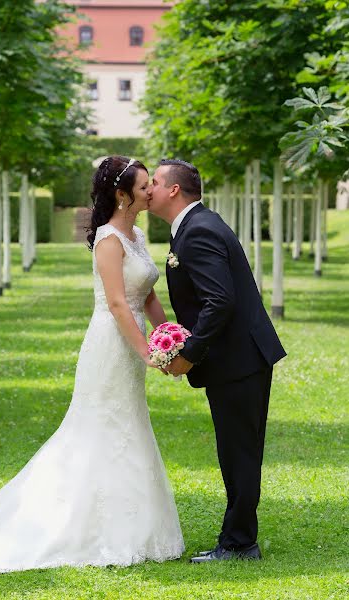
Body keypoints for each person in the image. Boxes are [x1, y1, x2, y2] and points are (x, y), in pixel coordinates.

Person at [0, 156, 184, 573]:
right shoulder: (108, 240)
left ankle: (131, 525)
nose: (150, 191)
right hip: (112, 345)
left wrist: (170, 335)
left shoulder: (135, 234)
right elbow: (117, 303)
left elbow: (147, 295)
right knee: (99, 427)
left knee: (130, 423)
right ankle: (83, 526)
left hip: (131, 341)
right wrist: (146, 352)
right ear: (122, 194)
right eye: (143, 186)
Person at [148, 159, 286, 562]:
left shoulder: (200, 230)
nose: (150, 189)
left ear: (174, 190)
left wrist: (190, 353)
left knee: (239, 450)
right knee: (237, 448)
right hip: (239, 355)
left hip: (239, 357)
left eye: (155, 182)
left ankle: (240, 543)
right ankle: (240, 538)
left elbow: (219, 300)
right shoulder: (195, 226)